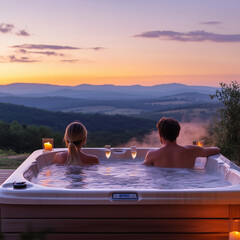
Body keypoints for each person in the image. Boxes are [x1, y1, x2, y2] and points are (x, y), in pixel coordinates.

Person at [143, 117, 220, 168]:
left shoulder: (152, 154)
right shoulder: (192, 151)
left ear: (160, 134)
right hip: (186, 187)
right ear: (178, 133)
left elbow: (143, 170)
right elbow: (217, 149)